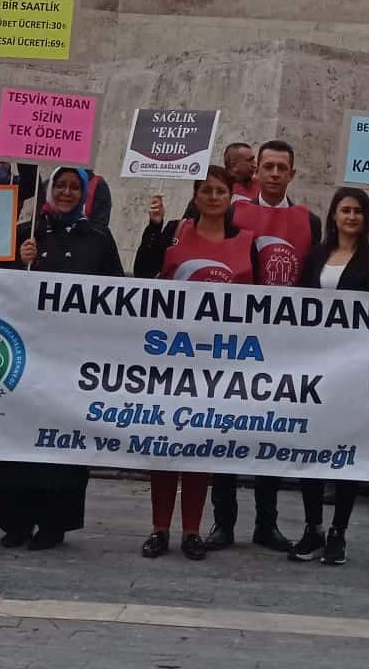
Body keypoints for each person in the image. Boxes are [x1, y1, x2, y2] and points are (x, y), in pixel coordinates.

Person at [0, 165, 124, 550]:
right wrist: (19, 259)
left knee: (62, 441)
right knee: (19, 439)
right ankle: (15, 523)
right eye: (59, 186)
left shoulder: (98, 237)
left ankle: (54, 524)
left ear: (83, 194)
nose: (66, 192)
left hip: (71, 360)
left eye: (73, 187)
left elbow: (116, 290)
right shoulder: (27, 231)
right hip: (25, 355)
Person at [135, 166, 259, 559]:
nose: (213, 196)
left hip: (221, 362)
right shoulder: (174, 230)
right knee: (164, 444)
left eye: (220, 191)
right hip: (170, 355)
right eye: (205, 190)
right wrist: (153, 227)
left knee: (199, 447)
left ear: (230, 197)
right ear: (195, 194)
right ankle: (159, 528)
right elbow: (142, 272)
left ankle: (191, 531)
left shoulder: (248, 242)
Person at [219, 137, 319, 551]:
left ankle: (267, 522)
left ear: (292, 174)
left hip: (284, 344)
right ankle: (223, 523)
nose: (275, 173)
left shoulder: (308, 221)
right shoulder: (232, 211)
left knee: (270, 433)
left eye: (283, 167)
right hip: (234, 342)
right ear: (256, 170)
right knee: (222, 433)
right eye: (269, 166)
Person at [288, 186, 369, 565]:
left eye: (359, 212)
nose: (352, 217)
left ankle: (338, 532)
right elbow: (300, 301)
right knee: (312, 445)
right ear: (334, 215)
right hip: (316, 364)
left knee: (347, 449)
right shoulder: (316, 255)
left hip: (354, 367)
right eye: (345, 210)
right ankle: (312, 527)